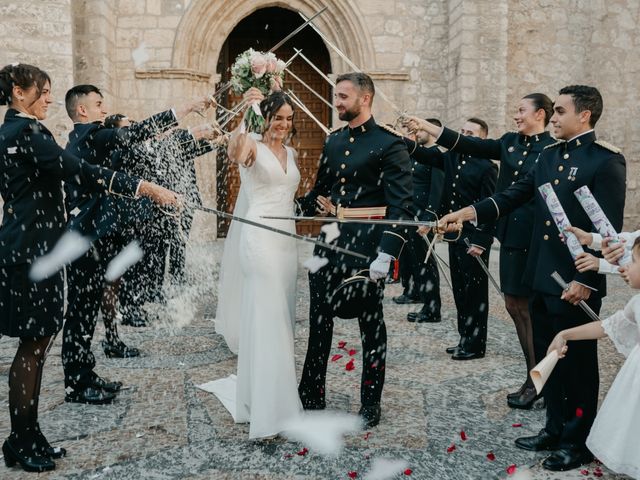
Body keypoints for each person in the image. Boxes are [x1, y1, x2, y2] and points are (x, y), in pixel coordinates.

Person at [438, 85, 626, 471]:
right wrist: (467, 213)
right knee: (548, 356)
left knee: (577, 365)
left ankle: (576, 441)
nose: (553, 118)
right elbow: (513, 194)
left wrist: (586, 279)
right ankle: (553, 428)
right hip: (542, 275)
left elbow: (607, 228)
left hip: (575, 283)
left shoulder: (604, 161)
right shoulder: (548, 156)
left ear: (584, 115)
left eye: (559, 111)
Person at [0, 63, 177, 472]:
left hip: (26, 248)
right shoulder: (27, 133)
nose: (49, 99)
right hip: (32, 253)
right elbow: (79, 170)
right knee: (33, 347)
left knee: (37, 346)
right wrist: (144, 187)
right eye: (43, 91)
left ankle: (27, 435)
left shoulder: (12, 133)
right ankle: (21, 439)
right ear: (18, 91)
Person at [61, 84, 212, 404]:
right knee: (80, 313)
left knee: (86, 312)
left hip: (93, 237)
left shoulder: (85, 141)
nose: (104, 109)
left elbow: (144, 152)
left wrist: (194, 135)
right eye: (98, 104)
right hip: (87, 239)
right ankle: (76, 381)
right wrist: (186, 107)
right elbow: (139, 133)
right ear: (83, 110)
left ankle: (84, 373)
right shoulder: (93, 135)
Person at [406, 93, 555, 406]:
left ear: (540, 114)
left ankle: (540, 381)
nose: (516, 115)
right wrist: (430, 129)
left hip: (536, 239)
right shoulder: (510, 142)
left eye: (521, 110)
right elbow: (470, 145)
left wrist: (477, 226)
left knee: (533, 312)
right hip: (511, 237)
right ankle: (534, 376)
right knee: (515, 307)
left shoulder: (550, 149)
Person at [296, 72, 414, 427]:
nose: (338, 102)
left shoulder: (390, 144)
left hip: (366, 246)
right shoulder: (333, 141)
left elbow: (402, 207)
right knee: (319, 319)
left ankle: (370, 400)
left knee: (370, 322)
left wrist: (387, 252)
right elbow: (321, 192)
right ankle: (311, 395)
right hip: (330, 239)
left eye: (344, 96)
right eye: (337, 95)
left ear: (365, 99)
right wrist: (293, 206)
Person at [211, 88, 302, 439]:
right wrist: (244, 111)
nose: (283, 124)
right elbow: (234, 150)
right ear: (264, 118)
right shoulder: (251, 146)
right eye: (277, 117)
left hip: (285, 241)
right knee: (266, 318)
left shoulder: (291, 152)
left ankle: (268, 398)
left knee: (280, 317)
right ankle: (268, 413)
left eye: (288, 118)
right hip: (259, 240)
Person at [546, 236, 640, 479]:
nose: (625, 267)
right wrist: (565, 334)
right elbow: (607, 327)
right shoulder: (636, 303)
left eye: (635, 261)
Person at [406, 118, 498, 358]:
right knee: (458, 288)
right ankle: (464, 337)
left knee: (475, 292)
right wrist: (401, 139)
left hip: (473, 237)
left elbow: (490, 208)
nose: (465, 136)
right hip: (453, 235)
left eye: (471, 133)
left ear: (482, 139)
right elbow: (426, 155)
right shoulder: (452, 158)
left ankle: (476, 344)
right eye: (463, 131)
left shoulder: (487, 167)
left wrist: (482, 241)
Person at [394, 118, 444, 324]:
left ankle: (433, 308)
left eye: (420, 130)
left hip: (424, 217)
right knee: (417, 262)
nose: (416, 133)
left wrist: (428, 217)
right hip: (412, 215)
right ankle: (423, 300)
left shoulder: (437, 156)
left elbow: (437, 190)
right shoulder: (418, 155)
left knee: (427, 264)